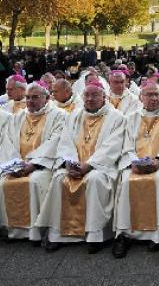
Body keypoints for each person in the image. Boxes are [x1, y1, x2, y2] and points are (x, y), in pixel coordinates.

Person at [36, 81, 125, 253]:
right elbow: (66, 141)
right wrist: (70, 163)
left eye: (95, 95)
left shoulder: (117, 117)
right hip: (75, 165)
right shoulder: (75, 115)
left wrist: (89, 165)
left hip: (101, 167)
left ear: (104, 97)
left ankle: (95, 236)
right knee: (59, 178)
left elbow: (112, 146)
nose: (90, 99)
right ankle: (58, 235)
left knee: (94, 180)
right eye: (87, 95)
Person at [112, 81, 159, 258]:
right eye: (149, 95)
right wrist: (134, 162)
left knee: (158, 181)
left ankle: (157, 235)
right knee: (127, 181)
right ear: (140, 97)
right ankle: (124, 234)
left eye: (156, 94)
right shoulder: (132, 117)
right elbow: (126, 145)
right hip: (135, 165)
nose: (153, 98)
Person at [0, 81, 65, 243]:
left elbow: (55, 141)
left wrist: (33, 165)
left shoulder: (59, 116)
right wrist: (14, 165)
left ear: (47, 98)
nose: (30, 101)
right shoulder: (19, 117)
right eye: (28, 97)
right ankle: (13, 230)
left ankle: (35, 231)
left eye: (35, 97)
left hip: (43, 166)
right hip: (18, 165)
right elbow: (8, 142)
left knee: (34, 182)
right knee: (2, 183)